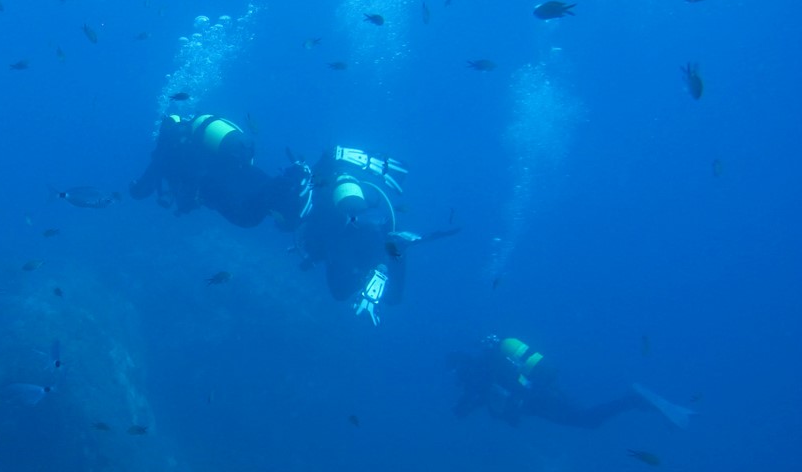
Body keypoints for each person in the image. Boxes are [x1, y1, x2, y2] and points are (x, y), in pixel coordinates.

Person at [294, 145, 430, 324]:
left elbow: (321, 239)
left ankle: (378, 266)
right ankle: (384, 260)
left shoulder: (320, 191)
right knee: (392, 295)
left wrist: (311, 257)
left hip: (350, 233)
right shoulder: (362, 176)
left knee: (340, 292)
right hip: (373, 228)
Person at [449, 335, 694, 429]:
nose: (458, 379)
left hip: (537, 398)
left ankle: (632, 400)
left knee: (587, 420)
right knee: (586, 418)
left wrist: (462, 407)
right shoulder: (492, 366)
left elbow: (471, 403)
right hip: (543, 389)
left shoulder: (480, 374)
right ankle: (635, 402)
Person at [130, 112, 314, 230]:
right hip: (236, 166)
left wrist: (134, 189)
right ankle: (292, 184)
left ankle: (286, 192)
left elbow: (143, 189)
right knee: (260, 189)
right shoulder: (195, 138)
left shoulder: (167, 151)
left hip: (211, 184)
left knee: (245, 218)